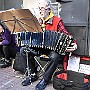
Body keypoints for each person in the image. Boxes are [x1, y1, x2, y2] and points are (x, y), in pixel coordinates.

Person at [20, 0, 77, 89]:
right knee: (23, 50)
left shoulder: (57, 21)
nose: (39, 11)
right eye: (39, 8)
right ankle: (32, 74)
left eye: (42, 8)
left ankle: (45, 79)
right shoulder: (38, 21)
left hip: (52, 50)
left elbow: (67, 36)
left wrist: (74, 44)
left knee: (55, 56)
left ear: (48, 9)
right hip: (40, 48)